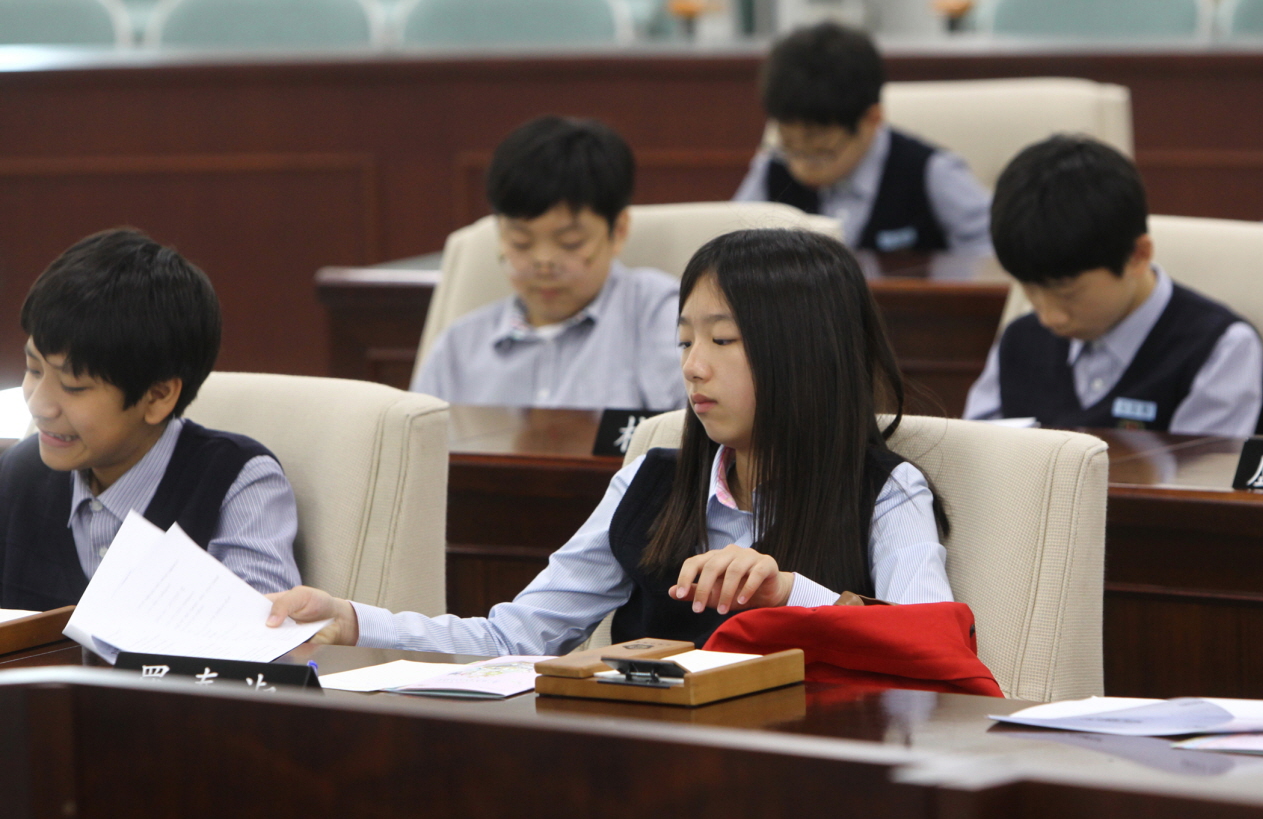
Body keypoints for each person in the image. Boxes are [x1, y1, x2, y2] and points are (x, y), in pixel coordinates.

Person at [269, 228, 953, 655]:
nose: (692, 365)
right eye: (684, 340)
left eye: (721, 341)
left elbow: (929, 642)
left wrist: (789, 593)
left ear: (804, 354)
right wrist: (357, 621)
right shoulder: (651, 482)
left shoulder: (883, 490)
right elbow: (516, 637)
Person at [0, 229, 301, 611]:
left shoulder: (236, 483)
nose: (40, 406)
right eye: (33, 368)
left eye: (74, 386)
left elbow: (261, 635)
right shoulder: (16, 474)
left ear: (157, 397)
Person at [964, 135, 1263, 435]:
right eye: (1029, 289)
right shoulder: (1020, 339)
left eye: (1067, 293)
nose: (1048, 316)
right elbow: (975, 456)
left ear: (1137, 256)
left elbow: (1203, 477)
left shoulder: (1219, 350)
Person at [412, 115, 684, 411]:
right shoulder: (459, 347)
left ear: (618, 231)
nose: (543, 262)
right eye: (521, 242)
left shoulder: (662, 317)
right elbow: (416, 450)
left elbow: (692, 440)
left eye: (570, 242)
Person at [733, 22, 991, 255]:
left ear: (871, 119)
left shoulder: (931, 172)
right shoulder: (771, 168)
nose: (801, 165)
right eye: (789, 145)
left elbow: (992, 254)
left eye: (820, 151)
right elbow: (729, 243)